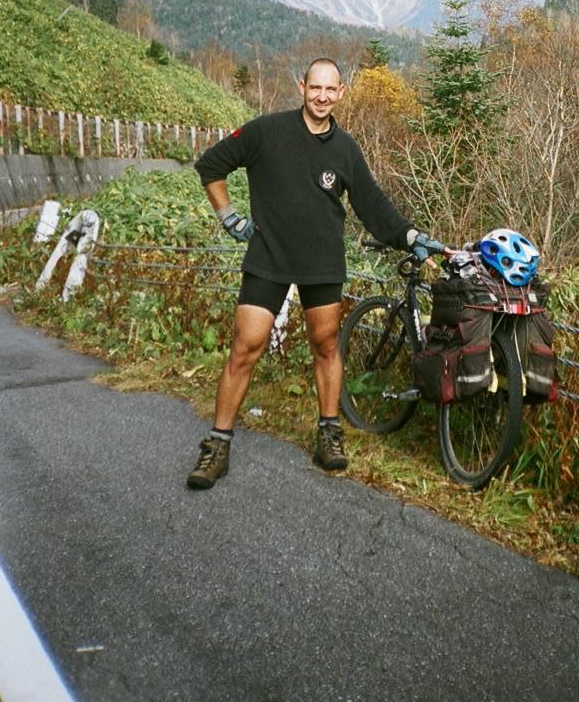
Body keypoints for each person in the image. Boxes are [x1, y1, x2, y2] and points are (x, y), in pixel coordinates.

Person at [186, 57, 434, 490]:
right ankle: (217, 446)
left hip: (322, 261)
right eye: (315, 87)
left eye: (330, 89)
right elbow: (211, 166)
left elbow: (372, 205)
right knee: (245, 348)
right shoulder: (266, 131)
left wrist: (410, 234)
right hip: (269, 256)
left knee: (325, 345)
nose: (322, 96)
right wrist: (227, 216)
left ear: (341, 93)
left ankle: (329, 433)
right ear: (302, 87)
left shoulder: (346, 149)